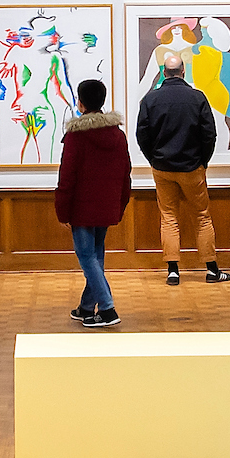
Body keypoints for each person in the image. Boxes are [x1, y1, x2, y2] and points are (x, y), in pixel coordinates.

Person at [135, 53, 229, 285]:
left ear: (164, 73)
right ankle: (211, 270)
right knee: (202, 217)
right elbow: (209, 134)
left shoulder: (150, 100)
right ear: (184, 71)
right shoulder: (197, 98)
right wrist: (202, 162)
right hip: (192, 168)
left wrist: (154, 159)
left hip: (162, 167)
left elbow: (142, 135)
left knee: (168, 217)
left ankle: (173, 271)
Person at [54, 78, 131, 328]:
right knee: (95, 256)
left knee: (86, 256)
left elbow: (67, 177)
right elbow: (125, 173)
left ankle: (107, 309)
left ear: (81, 102)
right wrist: (120, 204)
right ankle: (87, 307)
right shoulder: (117, 135)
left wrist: (62, 210)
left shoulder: (76, 137)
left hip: (82, 208)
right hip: (107, 205)